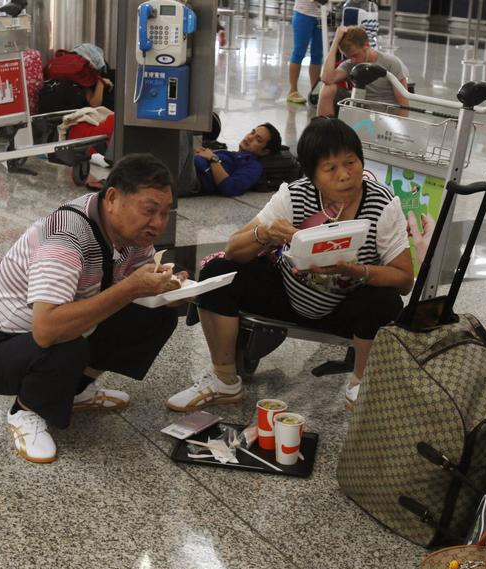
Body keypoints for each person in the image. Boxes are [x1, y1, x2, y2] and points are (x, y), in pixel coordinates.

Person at [167, 117, 414, 413]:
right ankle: (223, 380)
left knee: (384, 300)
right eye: (330, 168)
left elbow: (404, 279)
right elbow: (233, 249)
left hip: (345, 309)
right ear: (312, 175)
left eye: (351, 162)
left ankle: (361, 387)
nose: (345, 175)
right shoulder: (295, 195)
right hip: (286, 294)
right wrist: (265, 235)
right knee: (218, 273)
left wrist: (356, 271)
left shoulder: (382, 204)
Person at [0, 154, 183, 464]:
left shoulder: (133, 233)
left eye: (165, 213)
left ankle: (75, 391)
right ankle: (26, 411)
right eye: (149, 211)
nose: (158, 223)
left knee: (156, 315)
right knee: (66, 345)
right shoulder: (66, 235)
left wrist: (168, 285)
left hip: (58, 331)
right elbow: (46, 329)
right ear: (112, 198)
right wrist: (132, 287)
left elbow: (139, 280)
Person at [317, 26, 409, 117]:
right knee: (327, 89)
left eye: (355, 55)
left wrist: (399, 129)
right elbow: (326, 79)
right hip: (360, 110)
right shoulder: (350, 64)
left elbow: (404, 103)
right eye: (348, 57)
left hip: (385, 114)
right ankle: (325, 129)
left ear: (367, 45)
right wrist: (335, 41)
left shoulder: (391, 63)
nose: (353, 60)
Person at [191, 123, 282, 197]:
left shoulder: (253, 166)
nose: (250, 137)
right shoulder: (235, 155)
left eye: (258, 139)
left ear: (264, 151)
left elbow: (231, 188)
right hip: (186, 166)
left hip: (192, 177)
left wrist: (213, 159)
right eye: (252, 132)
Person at [288, 0, 324, 104]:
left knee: (318, 54)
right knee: (299, 52)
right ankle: (293, 91)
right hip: (303, 13)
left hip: (323, 14)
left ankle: (315, 91)